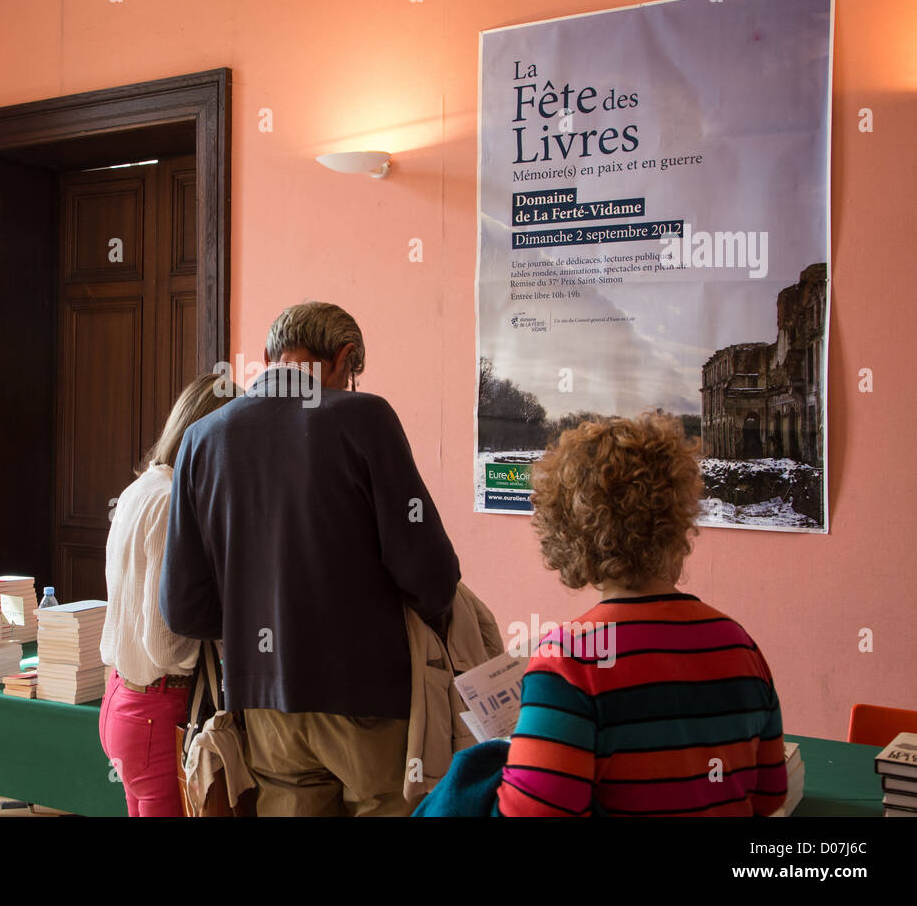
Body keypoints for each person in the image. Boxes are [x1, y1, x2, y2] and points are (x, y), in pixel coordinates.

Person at [160, 301, 461, 816]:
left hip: (263, 706)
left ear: (268, 357)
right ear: (345, 358)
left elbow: (184, 608)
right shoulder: (365, 418)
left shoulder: (201, 438)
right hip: (368, 697)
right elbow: (430, 575)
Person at [494, 412, 786, 816]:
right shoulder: (740, 645)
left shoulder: (569, 660)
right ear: (677, 521)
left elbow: (531, 814)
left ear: (568, 532)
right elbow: (770, 795)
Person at [99, 372, 240, 816]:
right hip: (156, 707)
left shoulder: (140, 489)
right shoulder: (169, 501)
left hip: (123, 698)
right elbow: (163, 642)